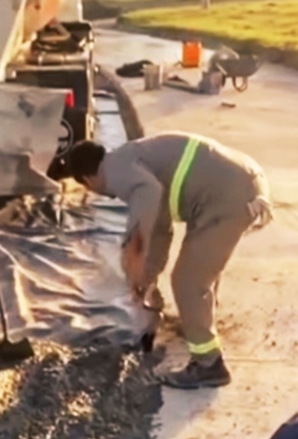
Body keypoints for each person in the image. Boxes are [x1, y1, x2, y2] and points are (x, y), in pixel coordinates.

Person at [66, 132, 273, 389]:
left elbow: (148, 195)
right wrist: (147, 278)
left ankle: (209, 365)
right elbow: (160, 230)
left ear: (87, 180)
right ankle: (199, 325)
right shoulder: (130, 158)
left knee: (188, 281)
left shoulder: (116, 173)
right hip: (239, 182)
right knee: (201, 266)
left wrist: (135, 249)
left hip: (229, 197)